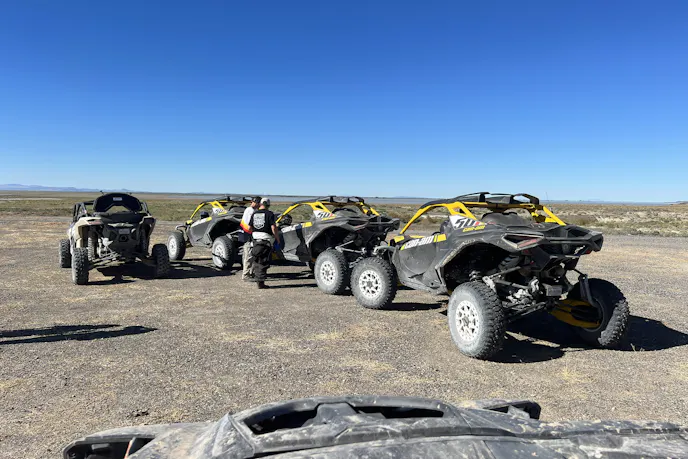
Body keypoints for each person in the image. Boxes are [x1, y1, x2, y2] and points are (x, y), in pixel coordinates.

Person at [248, 198, 281, 289]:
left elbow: (249, 228)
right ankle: (260, 282)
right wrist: (277, 239)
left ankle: (258, 280)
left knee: (257, 260)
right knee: (263, 261)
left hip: (255, 240)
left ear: (260, 204)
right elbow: (273, 228)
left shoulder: (254, 214)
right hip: (265, 240)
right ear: (268, 205)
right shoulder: (270, 214)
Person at [240, 196, 261, 281]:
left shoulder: (251, 210)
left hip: (248, 235)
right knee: (248, 256)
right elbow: (249, 226)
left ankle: (249, 273)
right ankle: (246, 275)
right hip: (248, 235)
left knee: (249, 255)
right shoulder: (250, 211)